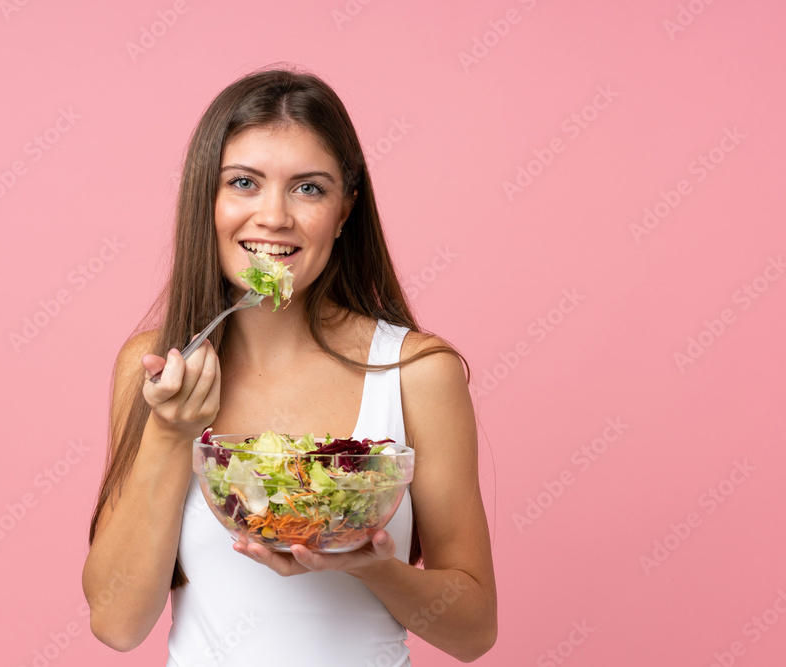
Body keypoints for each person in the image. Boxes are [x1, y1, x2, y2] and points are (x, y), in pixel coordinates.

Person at [82, 65, 497, 665]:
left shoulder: (415, 371)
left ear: (345, 211)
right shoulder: (156, 370)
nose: (274, 217)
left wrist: (374, 568)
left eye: (309, 188)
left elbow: (474, 631)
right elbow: (117, 624)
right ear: (206, 199)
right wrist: (170, 434)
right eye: (244, 183)